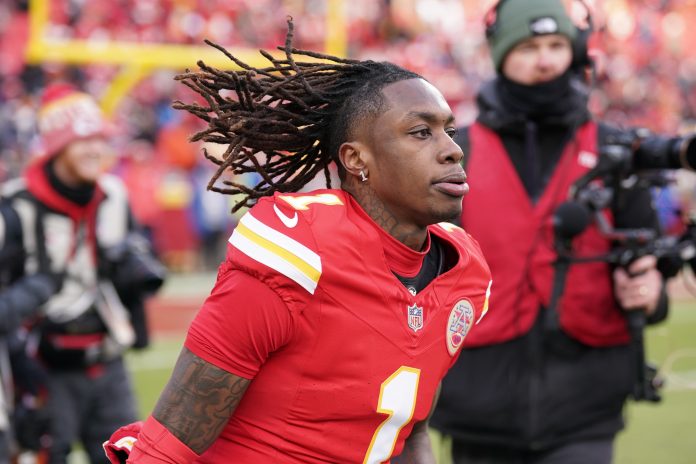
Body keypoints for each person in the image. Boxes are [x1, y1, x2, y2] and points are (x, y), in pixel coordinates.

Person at [102, 18, 492, 464]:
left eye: (450, 131)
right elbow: (170, 443)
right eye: (421, 132)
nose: (452, 150)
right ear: (356, 159)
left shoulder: (465, 270)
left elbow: (407, 430)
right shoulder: (299, 249)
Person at [429, 1, 689, 463]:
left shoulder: (618, 150)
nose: (545, 59)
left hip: (585, 405)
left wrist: (651, 291)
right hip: (476, 401)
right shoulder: (453, 152)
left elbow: (647, 264)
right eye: (528, 46)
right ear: (501, 52)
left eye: (555, 45)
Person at [0, 82, 165, 463]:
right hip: (43, 368)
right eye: (82, 140)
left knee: (128, 457)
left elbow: (132, 262)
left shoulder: (114, 194)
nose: (96, 150)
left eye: (101, 139)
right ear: (57, 145)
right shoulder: (15, 207)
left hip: (108, 363)